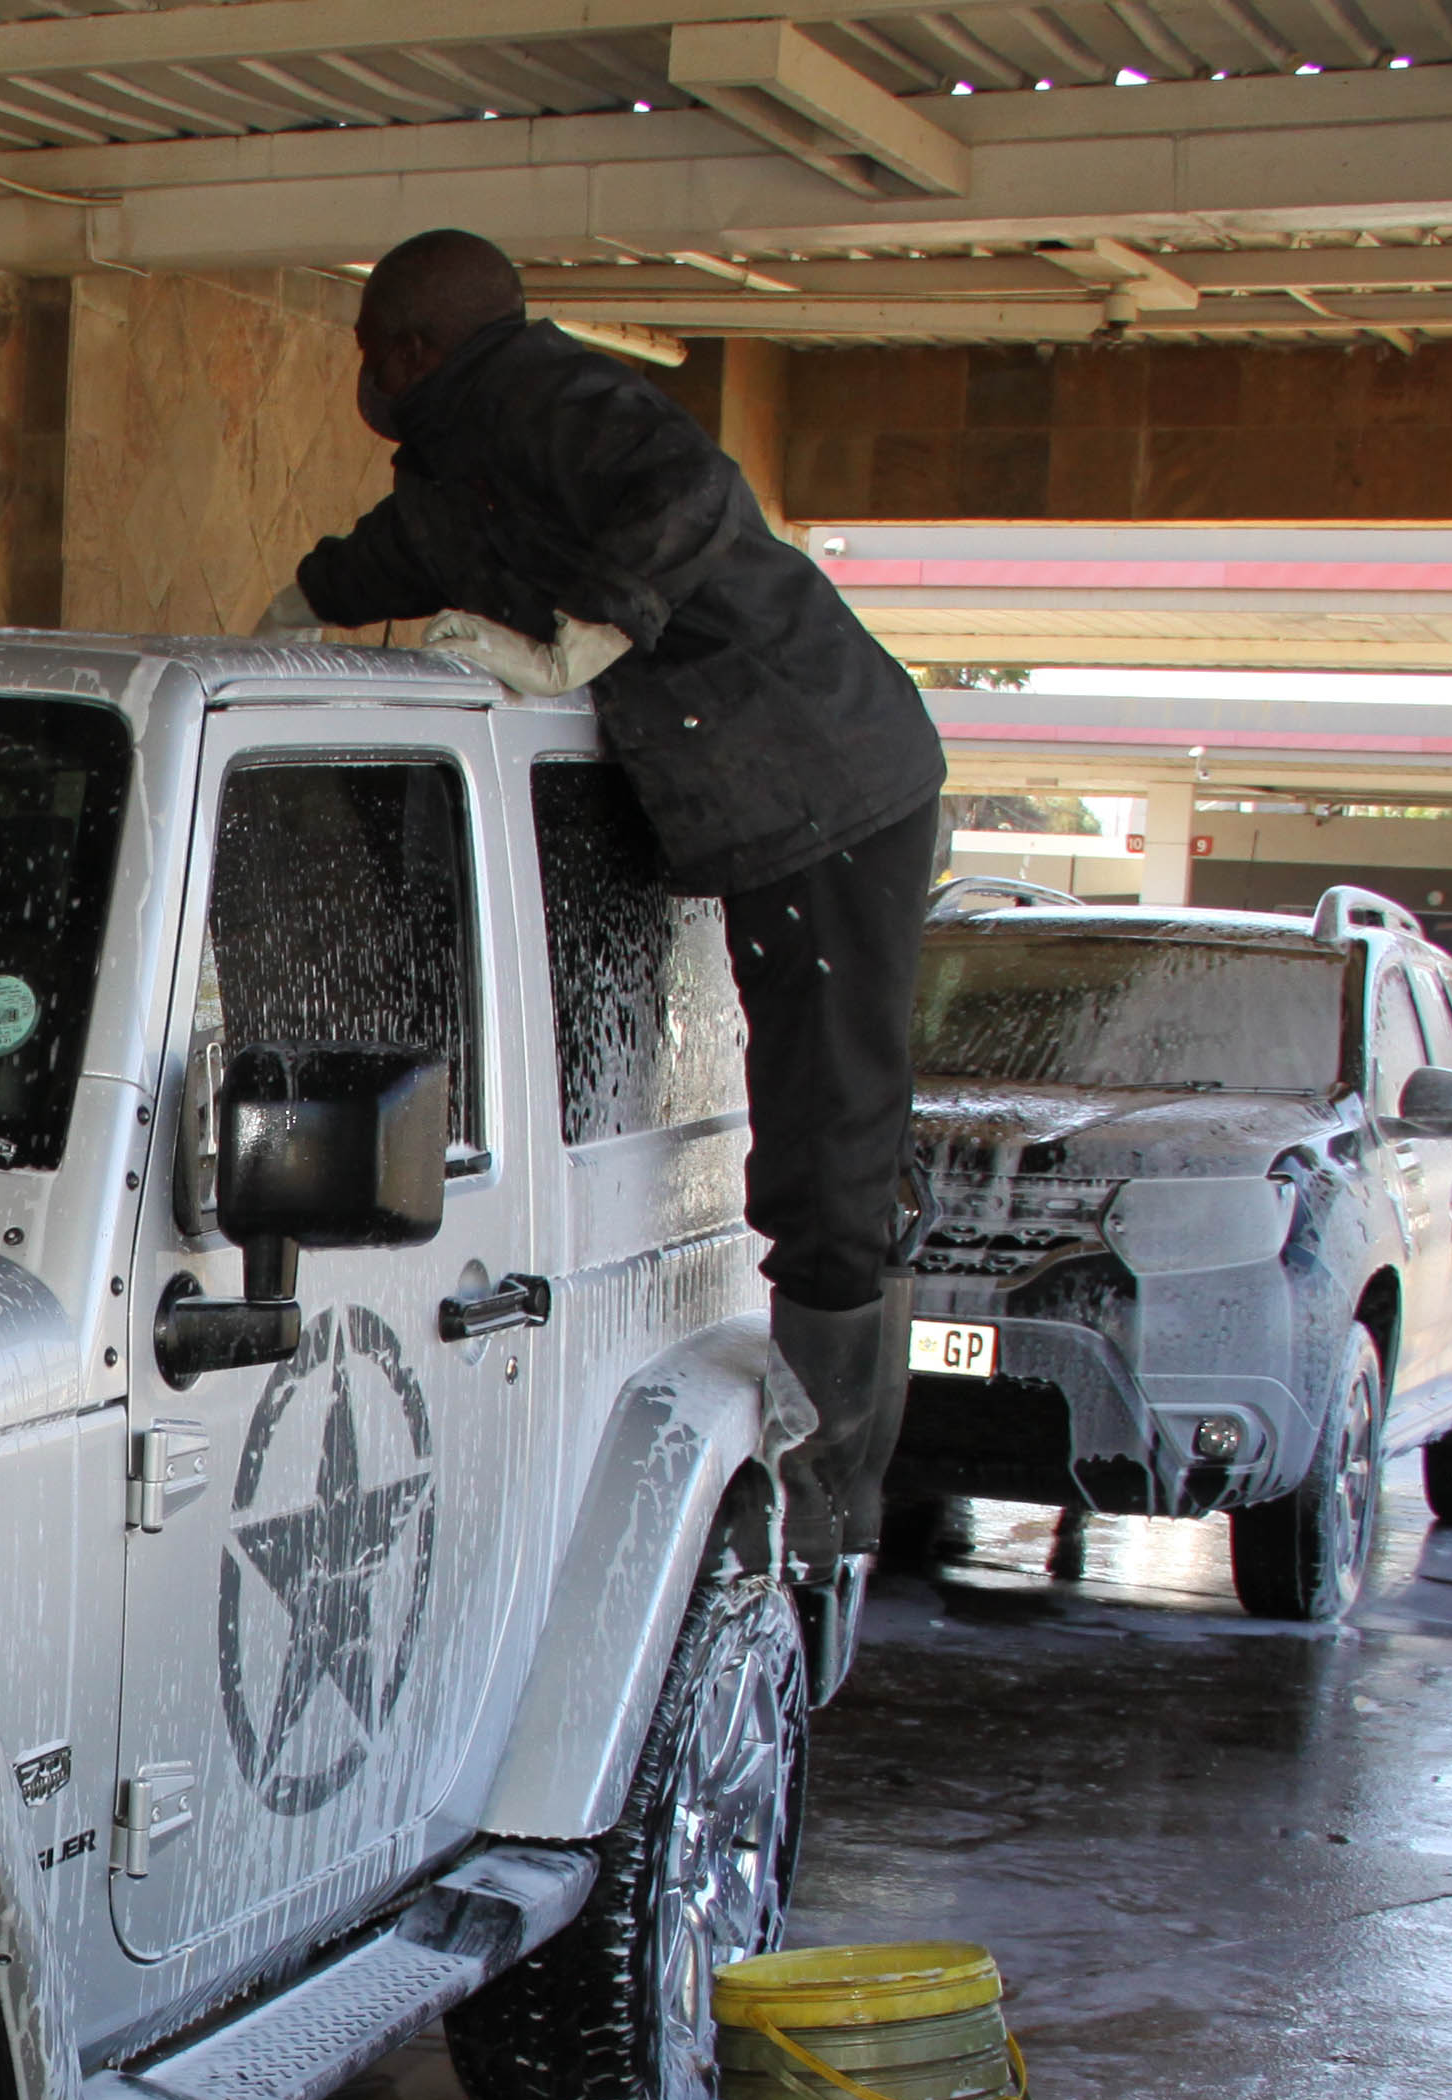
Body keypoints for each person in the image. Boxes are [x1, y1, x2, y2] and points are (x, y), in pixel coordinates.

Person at [263, 230, 948, 1565]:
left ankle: (826, 1502)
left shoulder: (550, 399)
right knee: (833, 1132)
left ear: (406, 352)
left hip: (829, 781)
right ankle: (828, 1475)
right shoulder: (470, 455)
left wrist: (588, 633)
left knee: (831, 1136)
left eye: (365, 352)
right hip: (757, 789)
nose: (364, 377)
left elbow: (687, 492)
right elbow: (408, 549)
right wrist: (286, 615)